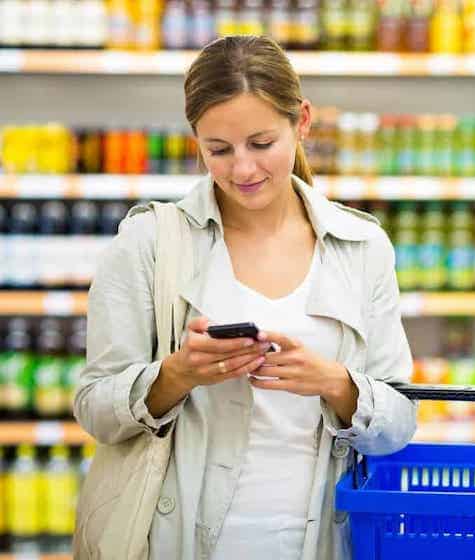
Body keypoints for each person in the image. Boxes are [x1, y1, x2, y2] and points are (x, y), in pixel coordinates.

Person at [73, 35, 417, 559]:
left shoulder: (361, 246)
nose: (243, 170)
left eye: (261, 144)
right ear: (196, 141)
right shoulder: (149, 242)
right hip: (178, 542)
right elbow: (95, 407)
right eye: (219, 150)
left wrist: (335, 383)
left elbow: (399, 421)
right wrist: (176, 375)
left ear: (301, 121)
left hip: (322, 541)